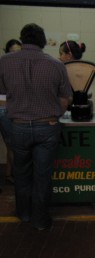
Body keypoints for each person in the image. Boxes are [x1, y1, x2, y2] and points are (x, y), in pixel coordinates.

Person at [0, 23, 73, 230]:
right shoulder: (56, 65)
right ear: (42, 41)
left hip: (18, 127)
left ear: (22, 40)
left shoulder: (4, 62)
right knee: (42, 175)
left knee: (21, 173)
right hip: (47, 127)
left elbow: (3, 91)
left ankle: (23, 214)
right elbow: (65, 98)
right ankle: (40, 220)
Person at [2, 39, 22, 185]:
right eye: (13, 51)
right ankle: (16, 176)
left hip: (9, 109)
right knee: (14, 146)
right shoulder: (9, 67)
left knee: (11, 146)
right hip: (5, 109)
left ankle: (9, 174)